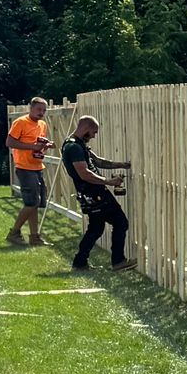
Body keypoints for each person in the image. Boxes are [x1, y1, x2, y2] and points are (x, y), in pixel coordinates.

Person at [59, 116, 137, 272]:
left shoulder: (77, 144)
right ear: (86, 128)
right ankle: (118, 261)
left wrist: (122, 165)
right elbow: (84, 174)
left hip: (90, 193)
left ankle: (80, 263)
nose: (94, 136)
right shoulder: (73, 147)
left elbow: (98, 162)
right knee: (120, 222)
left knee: (96, 228)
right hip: (95, 193)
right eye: (93, 132)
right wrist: (109, 181)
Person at [5, 98, 53, 245]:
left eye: (44, 110)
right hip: (24, 167)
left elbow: (38, 145)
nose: (41, 113)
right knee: (32, 202)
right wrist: (32, 147)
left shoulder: (42, 124)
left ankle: (34, 237)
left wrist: (45, 146)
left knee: (36, 203)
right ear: (31, 108)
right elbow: (9, 142)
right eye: (39, 109)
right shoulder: (20, 122)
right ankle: (14, 232)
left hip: (37, 166)